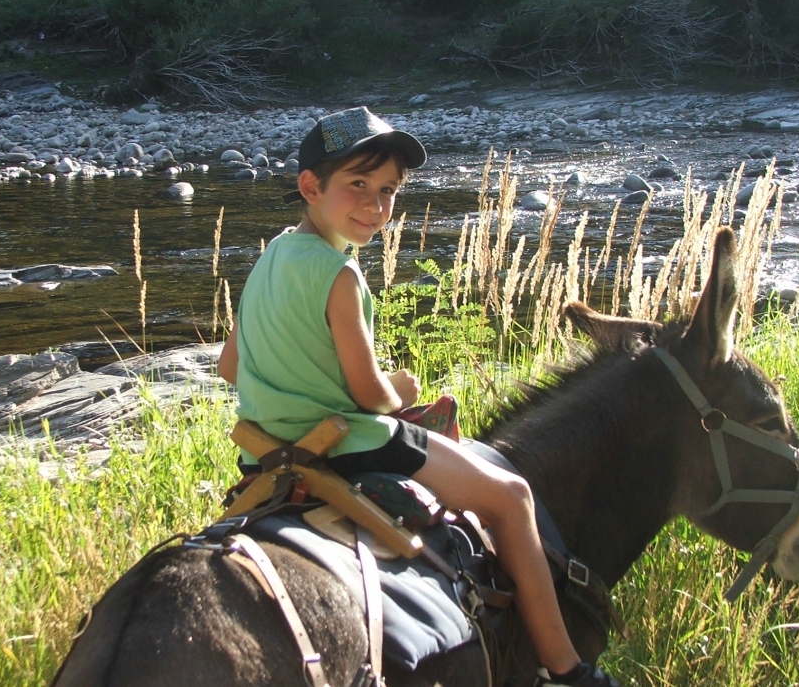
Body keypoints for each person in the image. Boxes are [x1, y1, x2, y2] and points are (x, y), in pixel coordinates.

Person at [218, 107, 621, 687]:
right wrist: (399, 389)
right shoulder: (340, 274)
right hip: (348, 445)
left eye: (387, 191)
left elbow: (230, 367)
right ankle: (568, 671)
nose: (375, 206)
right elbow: (368, 395)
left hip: (265, 454)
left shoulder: (268, 260)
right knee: (511, 496)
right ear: (311, 186)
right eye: (358, 184)